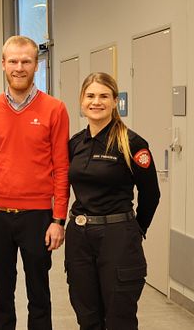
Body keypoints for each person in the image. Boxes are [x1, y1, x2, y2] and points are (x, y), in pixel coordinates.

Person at [0, 35, 70, 330]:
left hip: (38, 217)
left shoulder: (55, 109)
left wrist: (59, 219)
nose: (19, 67)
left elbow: (62, 168)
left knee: (39, 295)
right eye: (13, 61)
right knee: (2, 295)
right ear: (3, 64)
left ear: (36, 65)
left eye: (26, 61)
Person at [65, 72, 160, 330]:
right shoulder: (75, 143)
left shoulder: (131, 143)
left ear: (115, 101)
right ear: (81, 101)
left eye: (104, 96)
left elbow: (151, 194)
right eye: (90, 96)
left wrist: (135, 229)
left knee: (119, 317)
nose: (97, 102)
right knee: (86, 314)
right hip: (79, 237)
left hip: (117, 236)